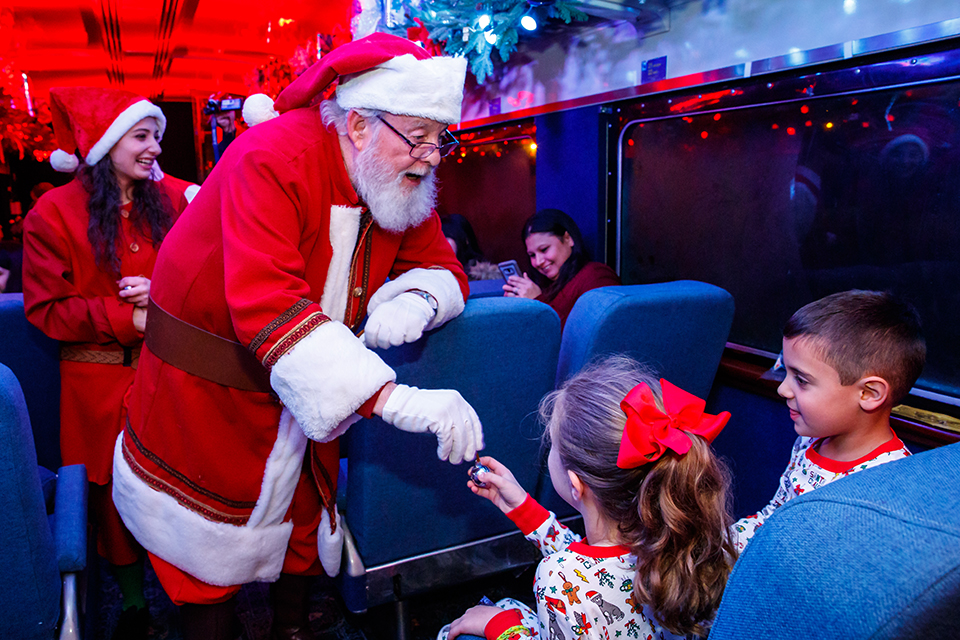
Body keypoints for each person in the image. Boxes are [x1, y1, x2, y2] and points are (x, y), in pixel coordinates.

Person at [111, 33, 483, 640]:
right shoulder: (272, 157)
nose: (433, 156)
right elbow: (268, 303)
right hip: (209, 400)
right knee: (206, 563)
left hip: (310, 402)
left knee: (304, 534)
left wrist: (419, 297)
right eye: (419, 138)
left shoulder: (399, 180)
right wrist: (397, 400)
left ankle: (293, 628)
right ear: (360, 125)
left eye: (441, 138)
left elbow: (442, 264)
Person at [21, 86, 198, 639]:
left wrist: (164, 288)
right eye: (141, 136)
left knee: (178, 486)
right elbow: (47, 310)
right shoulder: (52, 213)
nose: (154, 149)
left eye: (156, 137)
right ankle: (131, 603)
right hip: (94, 383)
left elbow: (210, 251)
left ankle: (193, 593)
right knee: (109, 495)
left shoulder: (166, 198)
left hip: (167, 372)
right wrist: (128, 319)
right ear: (104, 144)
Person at [443, 355, 737, 640]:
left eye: (553, 447)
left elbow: (583, 577)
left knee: (475, 623)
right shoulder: (688, 539)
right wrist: (524, 508)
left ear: (575, 484)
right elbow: (599, 570)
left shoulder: (558, 579)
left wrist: (503, 627)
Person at [732, 290, 926, 551]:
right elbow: (774, 518)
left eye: (801, 379)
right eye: (785, 371)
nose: (783, 390)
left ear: (869, 394)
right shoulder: (810, 439)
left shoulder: (887, 484)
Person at [504, 209, 620, 326]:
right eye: (532, 255)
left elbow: (595, 335)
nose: (538, 262)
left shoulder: (596, 276)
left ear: (568, 239)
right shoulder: (545, 285)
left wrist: (537, 303)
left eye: (544, 249)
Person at [441, 213, 499, 280]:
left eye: (446, 238)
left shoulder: (484, 276)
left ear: (464, 240)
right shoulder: (433, 273)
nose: (441, 245)